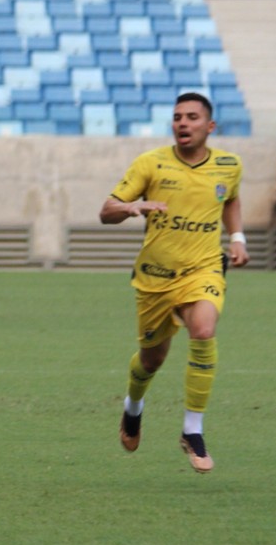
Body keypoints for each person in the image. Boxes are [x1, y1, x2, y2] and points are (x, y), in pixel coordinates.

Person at [99, 92, 249, 473]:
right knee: (152, 360)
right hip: (156, 278)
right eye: (178, 117)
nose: (183, 123)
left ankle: (192, 430)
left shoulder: (229, 165)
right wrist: (132, 207)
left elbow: (230, 199)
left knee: (203, 329)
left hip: (203, 269)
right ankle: (133, 408)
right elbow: (107, 210)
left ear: (209, 126)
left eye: (192, 117)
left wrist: (237, 238)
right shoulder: (150, 163)